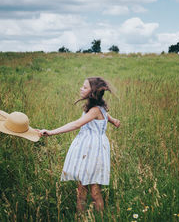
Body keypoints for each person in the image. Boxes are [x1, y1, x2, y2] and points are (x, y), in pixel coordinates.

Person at [38, 77, 120, 213]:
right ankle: (80, 217)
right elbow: (108, 117)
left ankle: (100, 217)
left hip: (95, 151)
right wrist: (114, 121)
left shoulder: (96, 110)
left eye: (84, 87)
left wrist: (51, 132)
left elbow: (77, 124)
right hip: (87, 151)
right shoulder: (96, 109)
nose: (81, 89)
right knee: (81, 188)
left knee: (95, 191)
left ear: (92, 92)